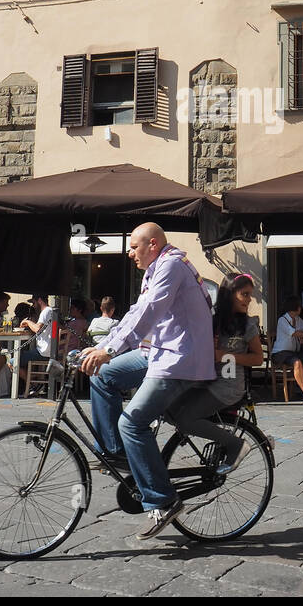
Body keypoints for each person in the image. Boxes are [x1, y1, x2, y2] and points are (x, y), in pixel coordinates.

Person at [80, 222, 216, 541]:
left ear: (152, 244)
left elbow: (150, 313)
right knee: (102, 375)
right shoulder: (155, 268)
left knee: (132, 424)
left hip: (179, 360)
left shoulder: (170, 266)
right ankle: (118, 454)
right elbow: (135, 312)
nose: (129, 253)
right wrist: (102, 348)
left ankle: (162, 500)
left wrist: (110, 349)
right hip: (156, 353)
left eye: (133, 247)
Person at [169, 272, 263, 474]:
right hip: (204, 381)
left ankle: (235, 444)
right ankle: (205, 431)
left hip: (227, 386)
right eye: (244, 294)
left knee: (186, 420)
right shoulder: (211, 320)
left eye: (249, 295)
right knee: (165, 406)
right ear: (229, 294)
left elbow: (258, 358)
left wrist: (225, 355)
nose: (249, 300)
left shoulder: (248, 325)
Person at [272, 295, 303, 401]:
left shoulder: (298, 319)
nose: (301, 308)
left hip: (293, 352)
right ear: (296, 308)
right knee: (297, 362)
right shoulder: (282, 320)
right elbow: (295, 333)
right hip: (280, 353)